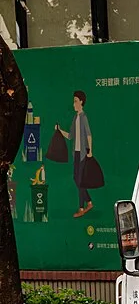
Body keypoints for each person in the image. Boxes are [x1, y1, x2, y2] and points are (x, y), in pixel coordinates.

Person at [55, 90, 93, 218]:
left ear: (81, 102)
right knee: (76, 179)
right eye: (73, 101)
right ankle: (89, 202)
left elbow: (89, 135)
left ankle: (81, 208)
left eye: (76, 101)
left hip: (83, 153)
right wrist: (60, 131)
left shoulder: (83, 117)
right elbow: (70, 136)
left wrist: (90, 151)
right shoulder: (75, 118)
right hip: (75, 153)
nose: (74, 104)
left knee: (80, 180)